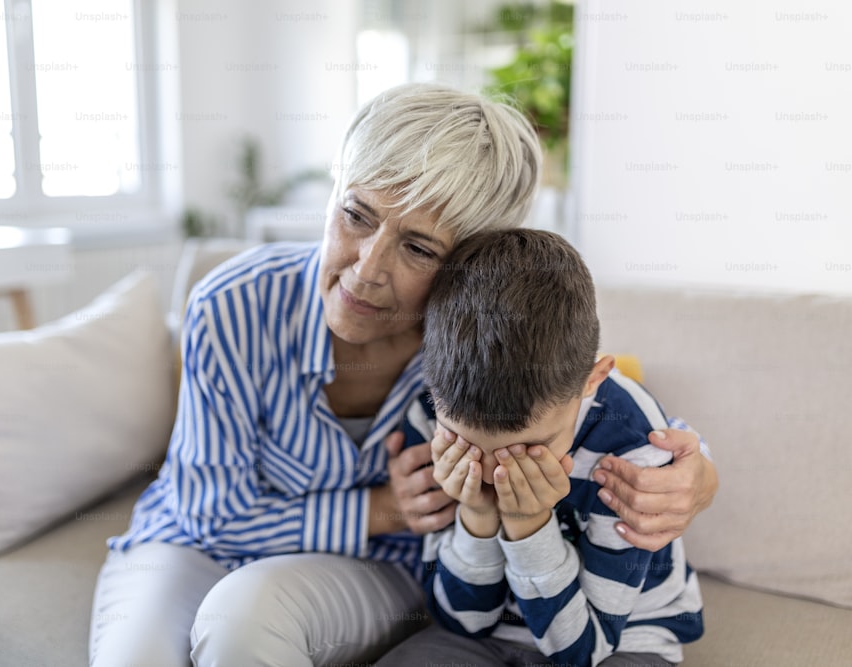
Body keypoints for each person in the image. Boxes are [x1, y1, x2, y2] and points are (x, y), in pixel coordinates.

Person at [89, 82, 717, 666]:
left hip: (371, 569)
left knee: (243, 618)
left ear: (469, 264)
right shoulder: (233, 305)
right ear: (334, 189)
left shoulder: (477, 349)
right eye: (356, 214)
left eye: (418, 248)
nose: (366, 269)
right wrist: (379, 509)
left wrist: (695, 471)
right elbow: (210, 513)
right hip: (192, 542)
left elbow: (579, 392)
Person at [377, 228, 704, 667]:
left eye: (532, 448)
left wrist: (527, 523)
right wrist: (476, 518)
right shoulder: (431, 418)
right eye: (467, 444)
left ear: (593, 379)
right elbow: (463, 622)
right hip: (483, 638)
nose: (496, 473)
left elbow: (581, 651)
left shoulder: (633, 451)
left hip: (621, 642)